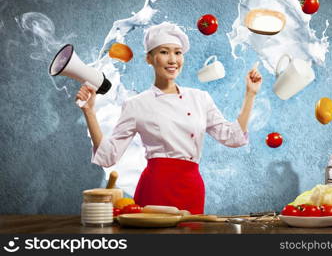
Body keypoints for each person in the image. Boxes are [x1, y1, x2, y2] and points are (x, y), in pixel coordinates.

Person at [76, 22, 262, 214]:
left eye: (178, 53)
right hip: (155, 189)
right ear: (149, 58)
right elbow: (108, 156)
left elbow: (233, 137)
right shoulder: (136, 104)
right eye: (164, 52)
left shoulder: (200, 99)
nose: (173, 60)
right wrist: (89, 111)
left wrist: (250, 94)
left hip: (191, 187)